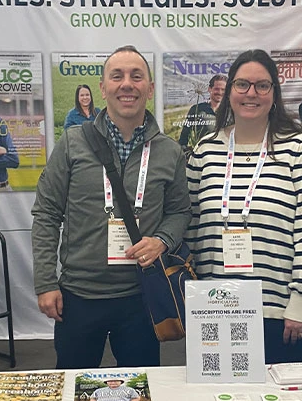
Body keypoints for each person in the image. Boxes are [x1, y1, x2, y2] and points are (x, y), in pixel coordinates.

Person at [32, 45, 191, 369]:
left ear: (149, 88)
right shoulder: (72, 142)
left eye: (136, 76)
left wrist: (161, 240)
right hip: (79, 296)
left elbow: (179, 212)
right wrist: (46, 282)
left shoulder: (168, 151)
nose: (127, 84)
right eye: (116, 76)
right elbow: (47, 213)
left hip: (140, 296)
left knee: (141, 393)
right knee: (72, 391)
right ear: (103, 88)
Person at [186, 49, 302, 364]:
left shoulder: (299, 150)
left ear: (274, 93)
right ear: (229, 93)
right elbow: (190, 224)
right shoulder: (206, 150)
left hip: (279, 312)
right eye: (242, 85)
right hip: (215, 306)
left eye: (262, 85)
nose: (251, 93)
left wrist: (299, 303)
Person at [178, 74, 227, 154]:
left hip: (225, 157)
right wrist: (186, 153)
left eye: (223, 89)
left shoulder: (232, 111)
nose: (220, 92)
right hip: (202, 156)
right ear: (209, 89)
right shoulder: (197, 109)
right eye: (217, 89)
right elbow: (184, 137)